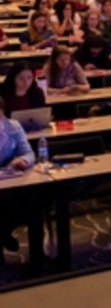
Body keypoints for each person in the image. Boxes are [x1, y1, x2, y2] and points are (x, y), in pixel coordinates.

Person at [0, 96, 36, 252]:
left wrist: (22, 160)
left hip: (10, 182)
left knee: (33, 204)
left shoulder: (12, 126)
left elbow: (29, 154)